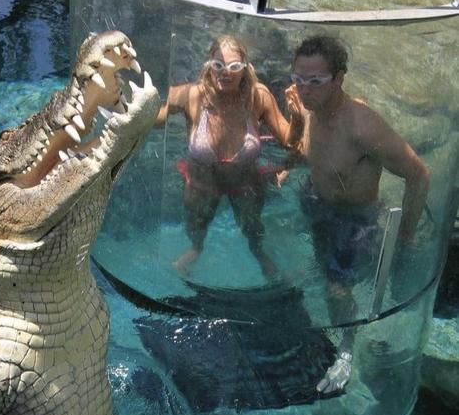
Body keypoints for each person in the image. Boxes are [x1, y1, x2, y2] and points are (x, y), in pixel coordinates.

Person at [285, 34, 430, 395]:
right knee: (318, 272)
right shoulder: (308, 105)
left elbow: (418, 175)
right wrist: (290, 158)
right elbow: (306, 145)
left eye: (315, 81)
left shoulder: (363, 127)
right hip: (318, 201)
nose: (303, 90)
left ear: (339, 78)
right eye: (298, 79)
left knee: (337, 290)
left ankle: (346, 351)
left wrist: (405, 238)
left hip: (355, 218)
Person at [156, 34, 301, 278]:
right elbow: (158, 117)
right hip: (201, 183)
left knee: (254, 231)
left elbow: (289, 141)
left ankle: (260, 255)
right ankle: (195, 250)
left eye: (234, 67)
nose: (226, 72)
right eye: (219, 66)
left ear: (245, 69)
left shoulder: (258, 97)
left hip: (245, 183)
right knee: (196, 229)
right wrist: (134, 114)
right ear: (209, 66)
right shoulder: (192, 95)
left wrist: (298, 119)